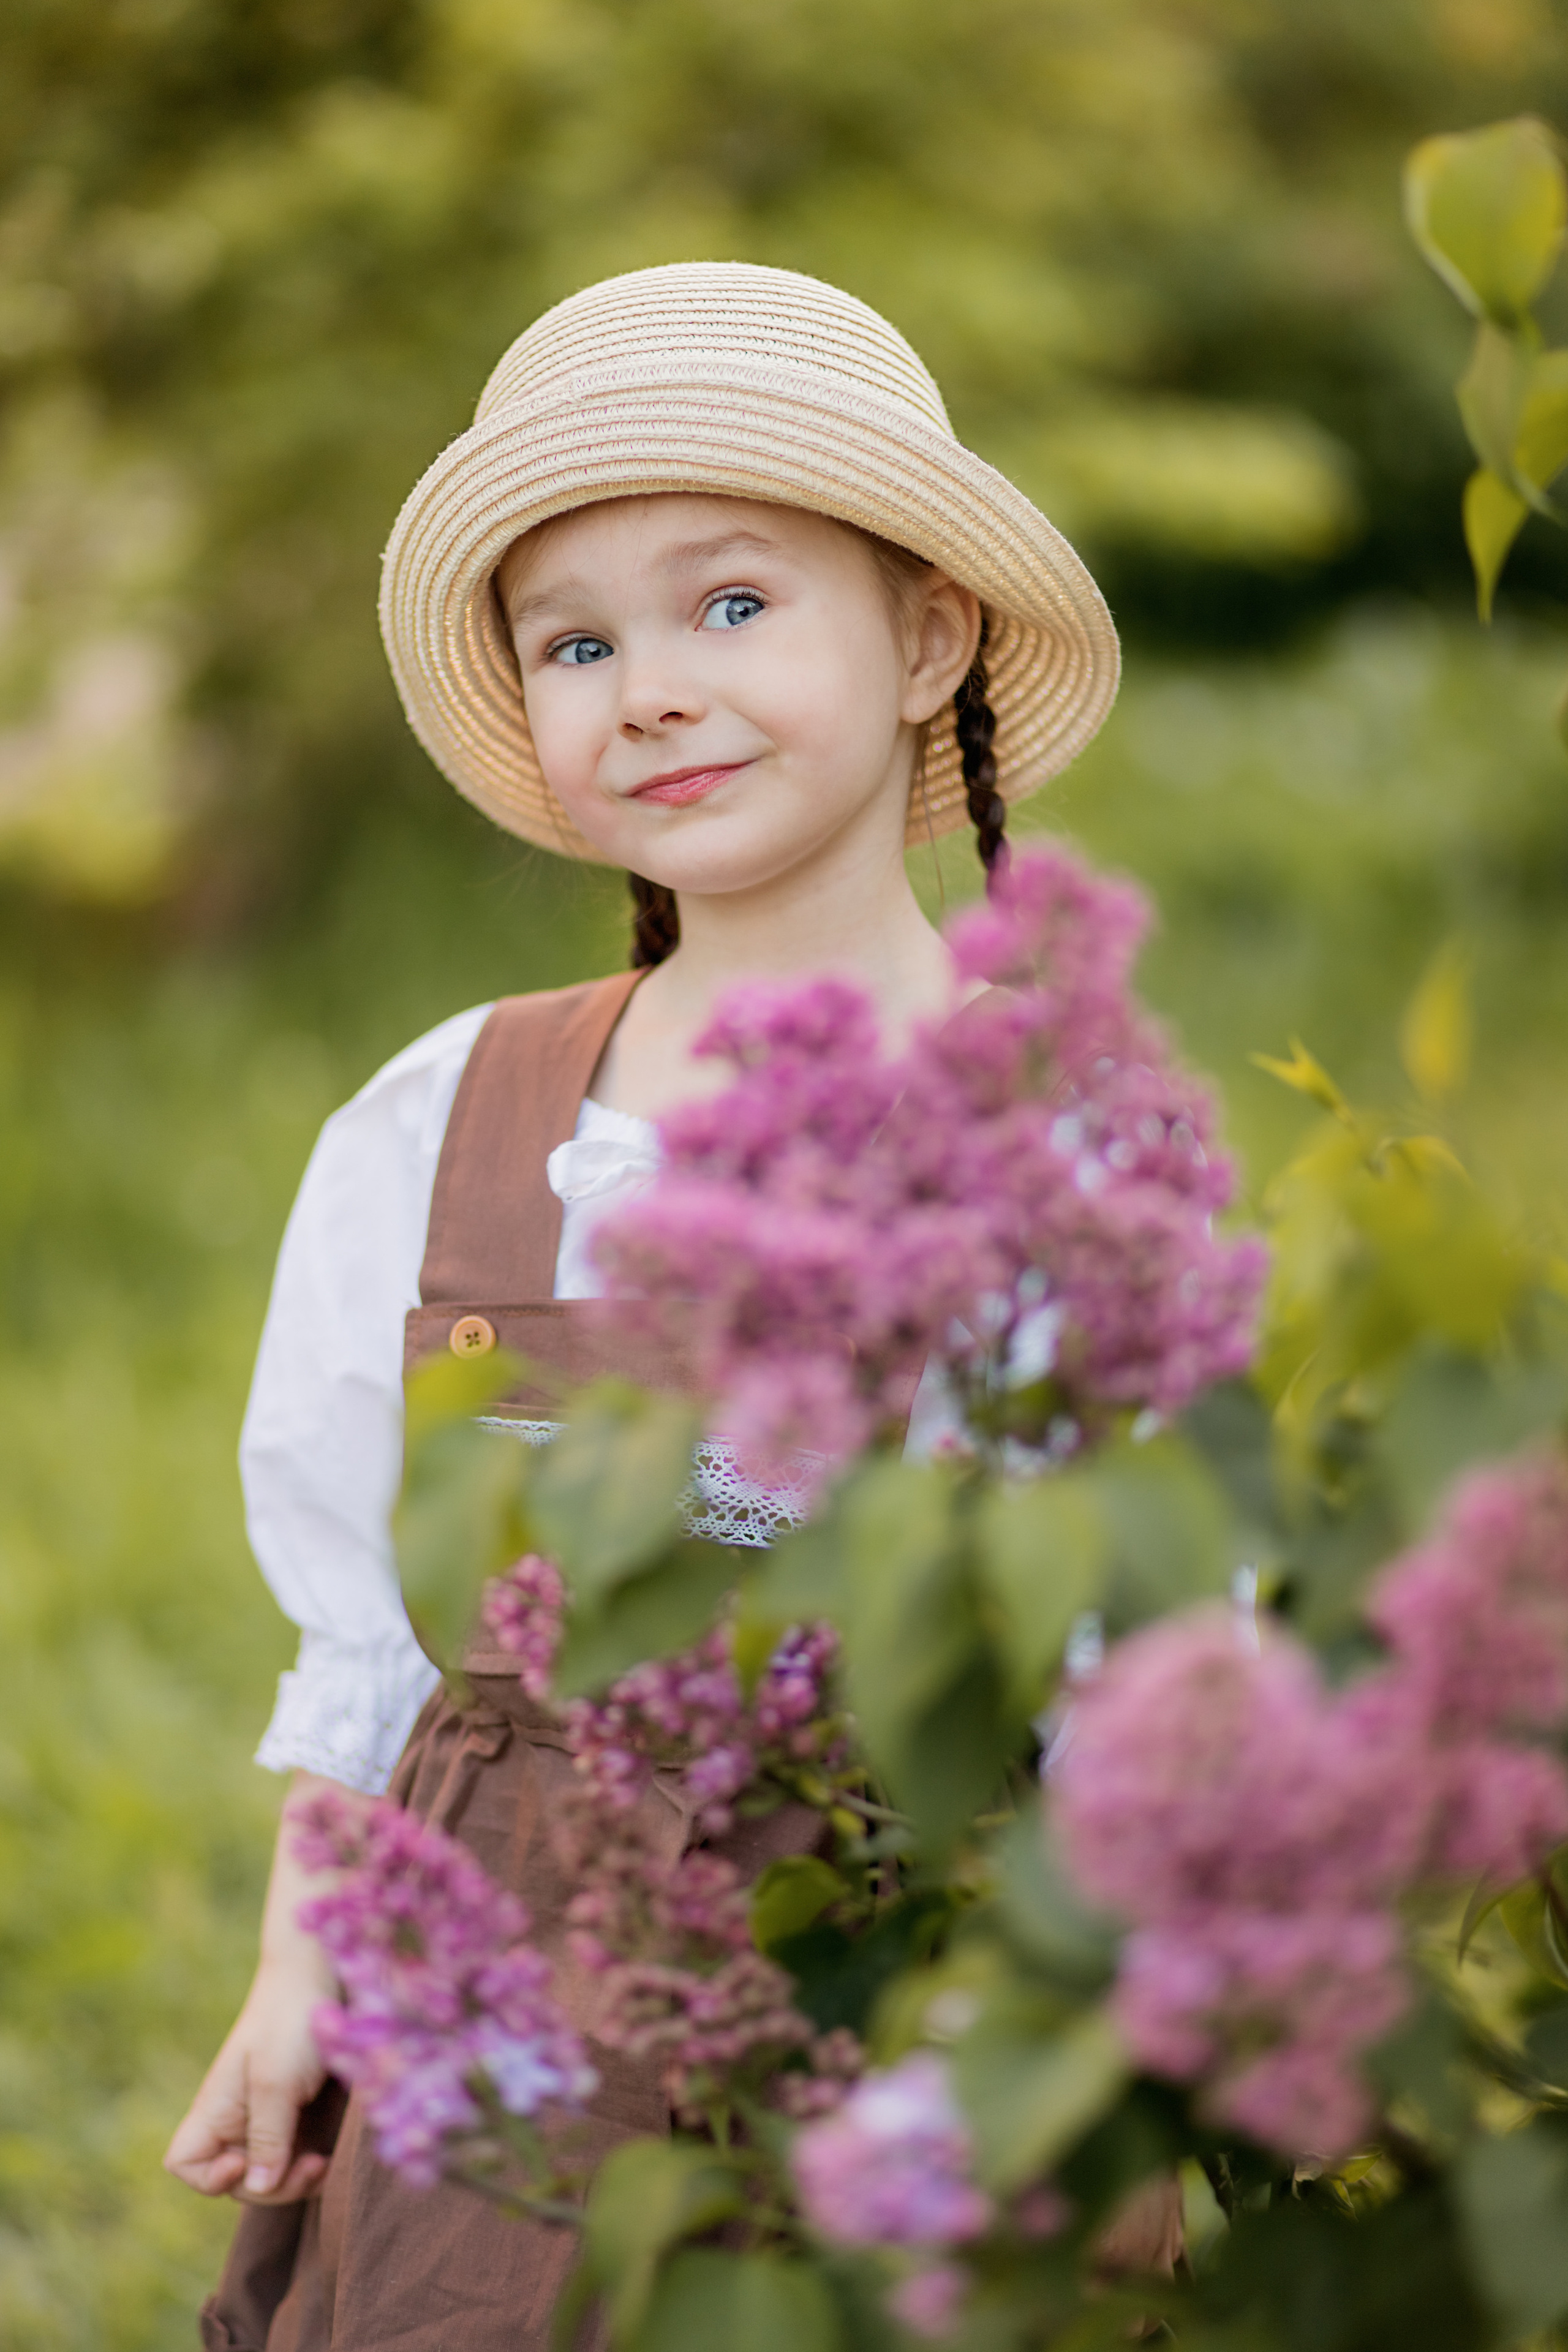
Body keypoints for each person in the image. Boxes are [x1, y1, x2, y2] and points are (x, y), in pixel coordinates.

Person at [164, 262, 1127, 2350]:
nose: (655, 688)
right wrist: (298, 1967)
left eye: (736, 605)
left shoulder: (1070, 1166)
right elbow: (364, 1652)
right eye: (580, 642)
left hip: (909, 1998)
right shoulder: (447, 1118)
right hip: (494, 2041)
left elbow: (1145, 1671)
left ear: (928, 636)